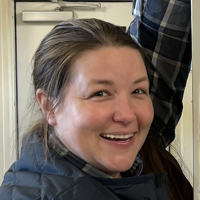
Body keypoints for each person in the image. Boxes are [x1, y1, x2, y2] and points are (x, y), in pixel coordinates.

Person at [0, 0, 193, 199]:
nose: (127, 115)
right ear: (49, 106)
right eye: (100, 94)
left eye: (137, 91)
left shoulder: (145, 157)